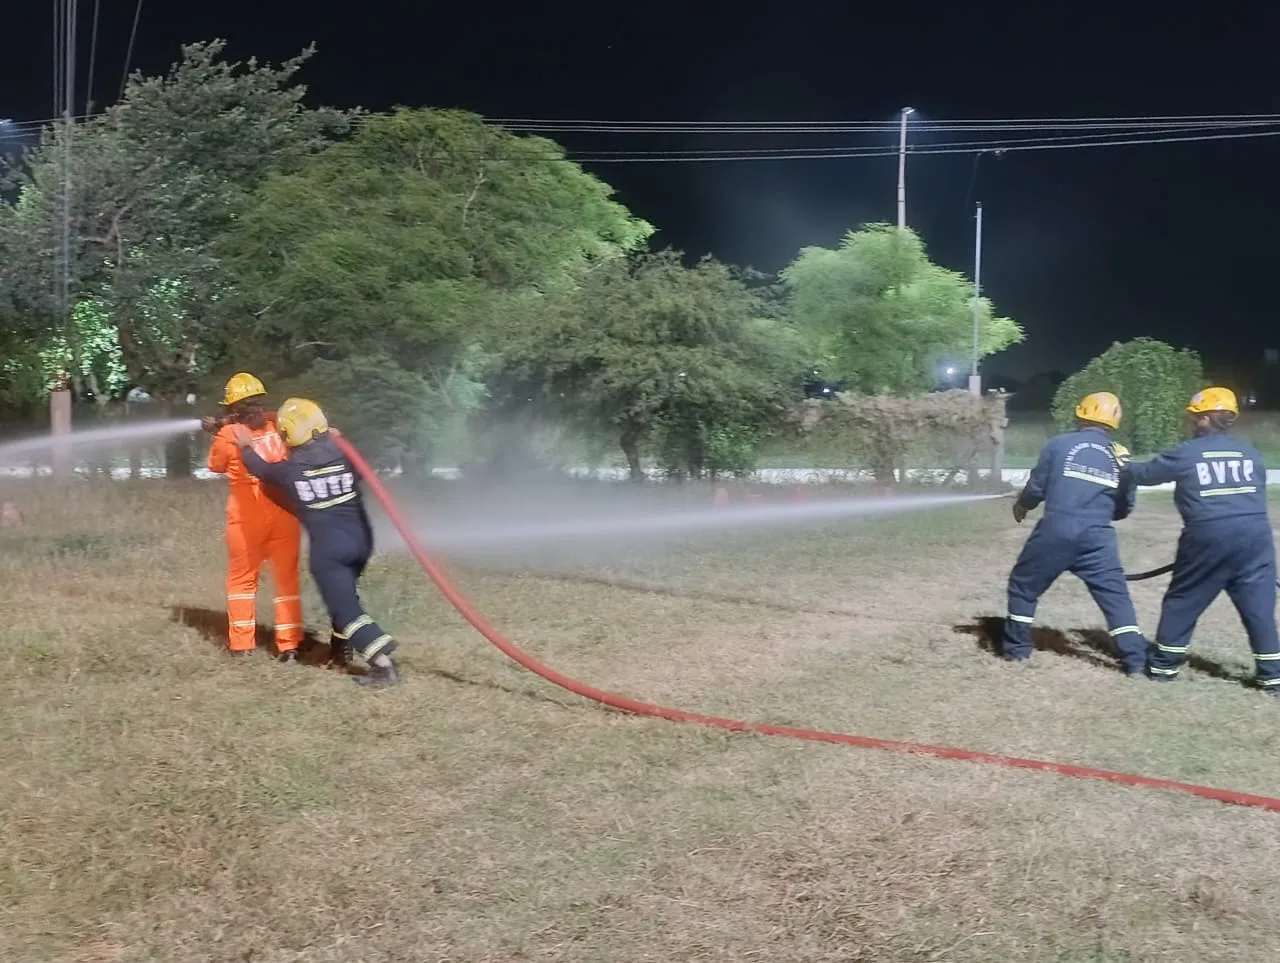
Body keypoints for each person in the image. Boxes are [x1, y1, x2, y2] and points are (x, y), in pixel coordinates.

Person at [229, 398, 400, 687]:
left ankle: (382, 664)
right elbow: (362, 469)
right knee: (346, 597)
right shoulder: (345, 457)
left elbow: (259, 468)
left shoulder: (290, 471)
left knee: (345, 610)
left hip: (330, 552)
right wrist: (336, 440)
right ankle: (341, 647)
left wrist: (245, 445)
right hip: (361, 541)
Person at [1124, 387, 1280, 695]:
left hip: (1208, 536)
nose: (1191, 422)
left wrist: (1122, 464)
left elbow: (1146, 474)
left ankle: (1163, 667)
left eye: (1194, 417)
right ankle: (1273, 678)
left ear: (1205, 419)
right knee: (1259, 611)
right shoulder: (1249, 452)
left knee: (1183, 601)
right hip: (1256, 538)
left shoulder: (1188, 453)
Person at [1002, 391, 1148, 674]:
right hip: (1098, 536)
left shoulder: (1059, 444)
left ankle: (1017, 651)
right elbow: (1125, 505)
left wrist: (1023, 504)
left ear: (1080, 414)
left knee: (1023, 586)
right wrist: (1100, 515)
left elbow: (1036, 487)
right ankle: (1136, 661)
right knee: (1115, 598)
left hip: (1056, 530)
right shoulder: (1121, 456)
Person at [202, 373, 304, 660]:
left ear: (231, 408)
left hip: (247, 518)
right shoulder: (278, 426)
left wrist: (220, 429)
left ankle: (242, 645)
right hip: (285, 513)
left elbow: (216, 466)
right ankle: (290, 646)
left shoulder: (228, 434)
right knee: (286, 580)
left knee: (242, 581)